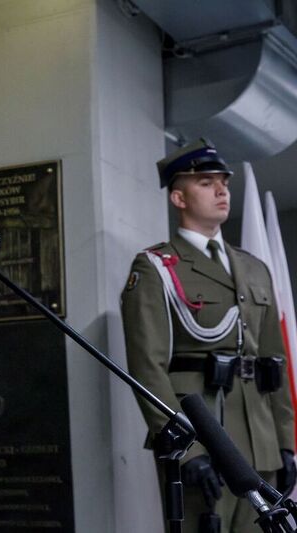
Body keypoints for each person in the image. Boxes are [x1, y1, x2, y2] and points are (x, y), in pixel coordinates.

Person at [121, 138, 296, 533]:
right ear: (178, 198)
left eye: (224, 182)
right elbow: (147, 366)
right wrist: (189, 452)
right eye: (206, 182)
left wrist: (286, 442)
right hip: (204, 437)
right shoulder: (156, 268)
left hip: (261, 439)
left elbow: (274, 361)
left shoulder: (255, 270)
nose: (221, 190)